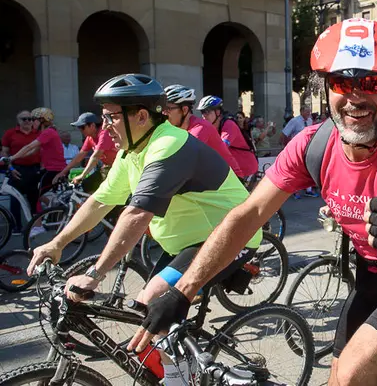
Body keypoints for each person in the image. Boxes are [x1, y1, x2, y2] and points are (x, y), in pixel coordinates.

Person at [125, 19, 377, 386]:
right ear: (326, 90)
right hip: (371, 272)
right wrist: (182, 291)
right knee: (335, 378)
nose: (355, 97)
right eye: (342, 83)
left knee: (351, 377)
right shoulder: (313, 145)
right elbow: (249, 214)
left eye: (370, 83)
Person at [26, 73, 263, 386]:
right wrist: (57, 243)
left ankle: (185, 379)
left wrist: (95, 274)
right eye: (102, 117)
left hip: (229, 237)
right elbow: (100, 202)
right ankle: (182, 370)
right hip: (190, 242)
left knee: (155, 300)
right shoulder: (132, 151)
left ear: (140, 116)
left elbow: (136, 215)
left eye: (111, 116)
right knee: (148, 310)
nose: (104, 124)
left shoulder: (169, 145)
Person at [162, 84, 243, 178]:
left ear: (184, 110)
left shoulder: (201, 127)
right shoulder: (177, 128)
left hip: (230, 180)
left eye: (168, 109)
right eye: (162, 109)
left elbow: (184, 157)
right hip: (212, 178)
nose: (164, 113)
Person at [6, 108, 66, 198]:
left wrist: (11, 158)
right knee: (33, 190)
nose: (31, 122)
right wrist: (15, 158)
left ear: (42, 120)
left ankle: (42, 212)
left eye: (33, 119)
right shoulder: (47, 132)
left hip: (54, 170)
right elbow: (32, 152)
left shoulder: (48, 132)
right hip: (51, 169)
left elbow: (29, 147)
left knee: (37, 195)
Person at [197, 96, 259, 183]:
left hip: (246, 169)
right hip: (232, 171)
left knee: (245, 197)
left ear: (218, 112)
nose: (204, 115)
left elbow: (222, 147)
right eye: (202, 112)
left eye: (207, 111)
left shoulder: (229, 125)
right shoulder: (211, 127)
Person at [53, 112, 118, 192]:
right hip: (108, 167)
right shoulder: (90, 138)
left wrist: (82, 175)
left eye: (82, 127)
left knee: (106, 192)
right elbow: (79, 156)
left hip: (120, 167)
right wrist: (62, 173)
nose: (80, 130)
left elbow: (95, 156)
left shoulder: (104, 133)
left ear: (92, 125)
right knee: (87, 185)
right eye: (79, 127)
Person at [1, 110, 40, 231]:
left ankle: (34, 226)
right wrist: (10, 168)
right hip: (16, 169)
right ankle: (16, 226)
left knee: (34, 199)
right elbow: (4, 152)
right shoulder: (10, 133)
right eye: (24, 119)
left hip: (34, 169)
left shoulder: (38, 133)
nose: (28, 121)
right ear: (18, 121)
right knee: (15, 199)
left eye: (30, 119)